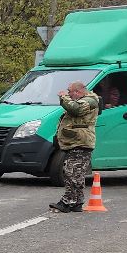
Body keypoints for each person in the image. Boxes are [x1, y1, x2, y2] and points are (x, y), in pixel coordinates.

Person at [50, 80, 100, 213]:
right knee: (76, 173)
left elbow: (76, 109)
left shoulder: (90, 101)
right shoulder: (83, 100)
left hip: (81, 142)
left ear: (77, 92)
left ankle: (67, 202)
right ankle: (77, 201)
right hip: (76, 142)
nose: (69, 95)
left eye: (70, 92)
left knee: (71, 173)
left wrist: (63, 97)